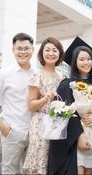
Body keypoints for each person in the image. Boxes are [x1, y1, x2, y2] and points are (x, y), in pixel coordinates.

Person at [48, 36, 92, 175]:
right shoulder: (67, 84)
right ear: (74, 62)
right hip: (74, 139)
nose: (86, 62)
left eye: (89, 59)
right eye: (81, 59)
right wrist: (79, 136)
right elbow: (65, 113)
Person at [0, 32, 35, 174]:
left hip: (34, 133)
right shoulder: (3, 74)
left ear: (32, 49)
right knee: (9, 171)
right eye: (19, 48)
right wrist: (3, 128)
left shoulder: (37, 74)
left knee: (32, 172)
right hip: (13, 132)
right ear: (13, 50)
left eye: (26, 48)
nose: (23, 52)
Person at [23, 37, 64, 174]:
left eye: (54, 50)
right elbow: (31, 105)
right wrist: (46, 98)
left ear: (59, 54)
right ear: (41, 53)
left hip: (57, 124)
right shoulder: (37, 75)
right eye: (47, 50)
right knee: (39, 160)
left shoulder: (62, 76)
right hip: (40, 123)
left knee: (53, 162)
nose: (51, 53)